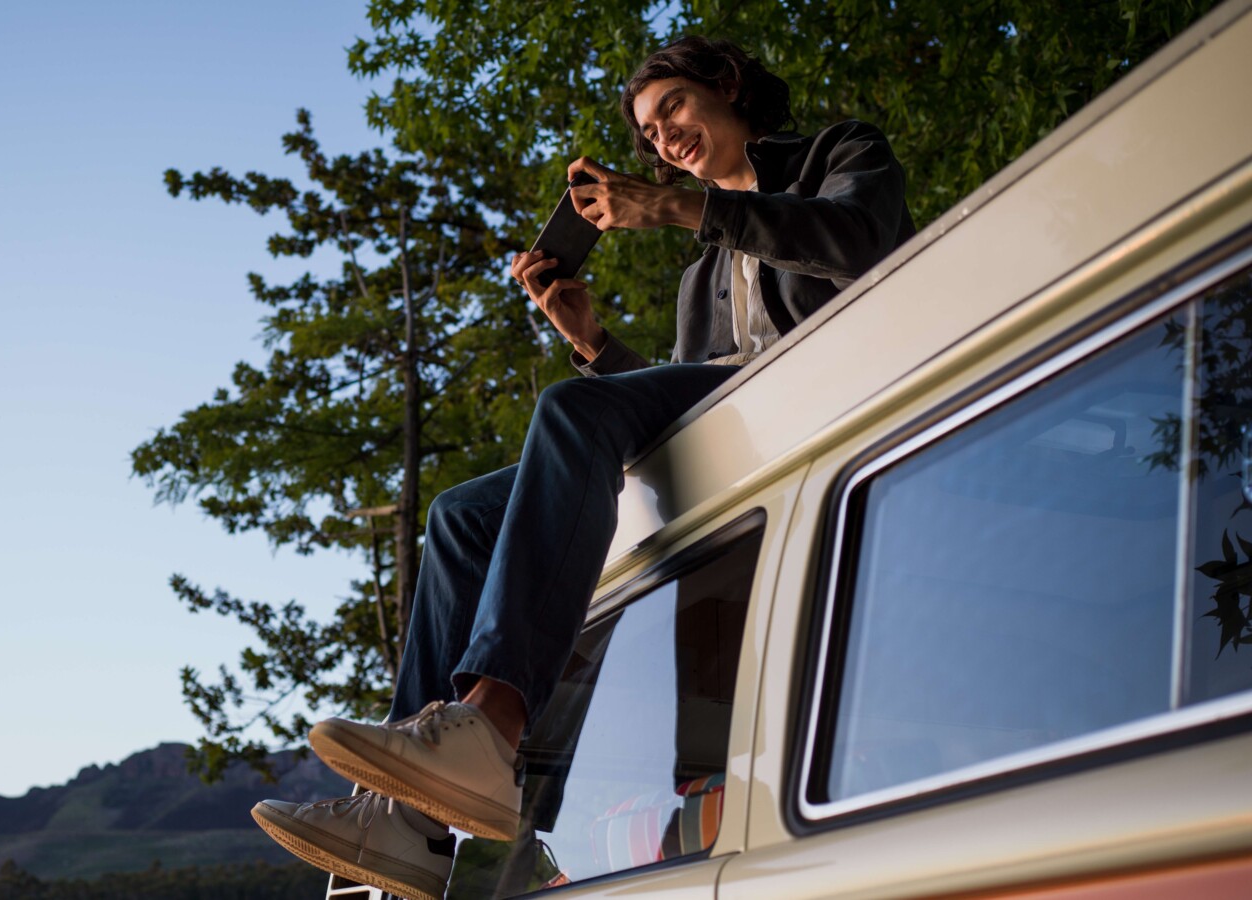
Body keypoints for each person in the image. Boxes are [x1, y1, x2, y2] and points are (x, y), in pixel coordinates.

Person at [250, 35, 916, 900]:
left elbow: (864, 242)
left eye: (672, 107)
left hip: (836, 392)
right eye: (648, 130)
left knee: (564, 411)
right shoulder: (701, 276)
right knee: (459, 513)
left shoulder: (839, 153)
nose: (662, 137)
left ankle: (490, 728)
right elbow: (686, 425)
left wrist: (683, 210)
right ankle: (401, 817)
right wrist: (589, 339)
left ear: (727, 86)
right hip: (746, 429)